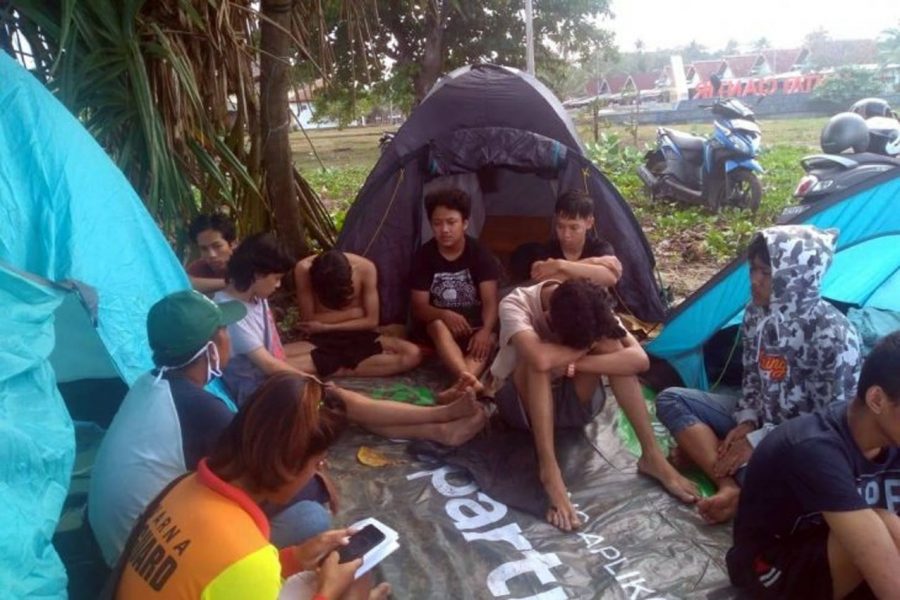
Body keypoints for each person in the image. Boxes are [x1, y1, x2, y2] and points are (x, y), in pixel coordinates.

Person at [87, 291, 333, 568]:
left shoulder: (148, 384)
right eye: (224, 329)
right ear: (211, 348)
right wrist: (314, 475)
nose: (229, 336)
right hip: (147, 562)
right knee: (311, 517)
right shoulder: (199, 409)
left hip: (117, 546)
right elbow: (267, 485)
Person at [113, 373, 391, 600]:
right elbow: (237, 570)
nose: (317, 472)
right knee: (356, 584)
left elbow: (219, 576)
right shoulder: (247, 558)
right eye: (317, 464)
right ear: (288, 466)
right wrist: (329, 592)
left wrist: (296, 557)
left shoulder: (182, 486)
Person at [655, 225, 861, 523]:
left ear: (795, 276)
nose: (754, 281)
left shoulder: (833, 334)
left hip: (802, 443)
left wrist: (759, 440)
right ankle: (728, 485)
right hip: (762, 420)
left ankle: (711, 459)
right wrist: (748, 421)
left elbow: (830, 423)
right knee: (673, 400)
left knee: (805, 490)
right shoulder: (756, 313)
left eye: (766, 273)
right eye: (753, 270)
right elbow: (751, 378)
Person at [216, 232, 486, 445]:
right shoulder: (233, 315)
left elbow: (274, 356)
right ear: (256, 274)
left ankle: (440, 428)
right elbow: (270, 365)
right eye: (275, 279)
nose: (277, 286)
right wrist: (312, 384)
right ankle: (441, 419)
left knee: (347, 406)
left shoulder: (252, 297)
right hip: (261, 397)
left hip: (275, 385)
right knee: (345, 402)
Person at [485, 278, 699, 532]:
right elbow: (541, 360)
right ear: (548, 316)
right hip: (522, 408)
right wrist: (585, 347)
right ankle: (550, 471)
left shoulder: (590, 303)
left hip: (575, 402)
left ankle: (652, 456)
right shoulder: (516, 304)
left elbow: (639, 360)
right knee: (536, 362)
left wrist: (578, 361)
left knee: (612, 345)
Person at [727, 331, 900, 600]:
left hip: (835, 556)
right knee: (882, 524)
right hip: (771, 568)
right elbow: (876, 551)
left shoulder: (891, 435)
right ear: (877, 400)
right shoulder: (812, 447)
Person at [410, 188, 500, 384]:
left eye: (451, 222)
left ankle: (463, 384)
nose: (444, 230)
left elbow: (490, 302)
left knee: (489, 339)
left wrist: (484, 331)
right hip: (440, 331)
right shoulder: (423, 256)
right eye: (437, 223)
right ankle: (471, 383)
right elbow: (418, 307)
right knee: (436, 325)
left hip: (473, 326)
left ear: (465, 223)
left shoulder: (480, 253)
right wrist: (443, 314)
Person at [292, 250, 421, 377]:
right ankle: (345, 366)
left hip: (359, 336)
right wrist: (353, 314)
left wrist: (326, 325)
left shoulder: (366, 268)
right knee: (277, 357)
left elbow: (371, 322)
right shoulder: (303, 270)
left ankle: (331, 367)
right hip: (323, 339)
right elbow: (308, 320)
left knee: (413, 354)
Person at [529, 190, 622, 288]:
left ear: (589, 223)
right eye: (560, 226)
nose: (566, 234)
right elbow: (542, 280)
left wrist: (559, 265)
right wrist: (594, 262)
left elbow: (609, 278)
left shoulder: (600, 247)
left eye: (574, 228)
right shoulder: (547, 249)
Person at [186, 213, 237, 294]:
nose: (211, 255)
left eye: (217, 246)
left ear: (233, 244)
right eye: (204, 248)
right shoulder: (199, 268)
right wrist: (231, 283)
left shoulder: (250, 264)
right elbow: (183, 284)